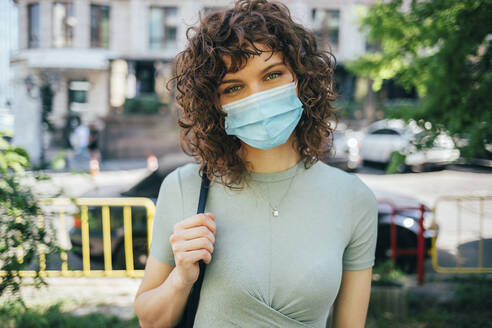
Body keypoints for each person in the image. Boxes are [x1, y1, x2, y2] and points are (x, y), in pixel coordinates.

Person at [134, 0, 378, 327]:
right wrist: (181, 278)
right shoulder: (184, 187)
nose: (257, 97)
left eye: (273, 74)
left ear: (302, 79)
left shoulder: (353, 199)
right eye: (234, 87)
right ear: (214, 105)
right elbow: (149, 320)